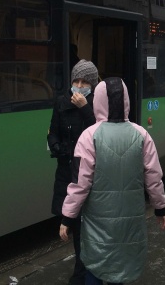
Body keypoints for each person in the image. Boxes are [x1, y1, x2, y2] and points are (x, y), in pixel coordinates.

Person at [59, 77, 165, 285]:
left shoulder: (88, 136)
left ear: (97, 100)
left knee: (95, 264)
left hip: (98, 220)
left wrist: (67, 217)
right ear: (126, 101)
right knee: (122, 266)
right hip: (131, 218)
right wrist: (160, 208)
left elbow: (80, 183)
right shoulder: (142, 135)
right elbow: (154, 177)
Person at [47, 59, 99, 285]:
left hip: (87, 175)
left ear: (92, 85)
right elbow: (52, 132)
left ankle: (81, 276)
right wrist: (56, 146)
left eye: (84, 82)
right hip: (66, 173)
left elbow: (98, 133)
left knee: (84, 230)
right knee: (74, 224)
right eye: (76, 81)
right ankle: (82, 271)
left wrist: (84, 108)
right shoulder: (61, 103)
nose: (79, 86)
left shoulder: (97, 105)